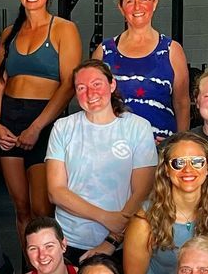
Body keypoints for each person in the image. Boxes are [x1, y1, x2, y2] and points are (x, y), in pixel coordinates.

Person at [0, 0, 83, 243]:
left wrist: (37, 127)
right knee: (21, 209)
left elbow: (68, 85)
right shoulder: (9, 33)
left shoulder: (64, 29)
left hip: (44, 121)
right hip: (9, 120)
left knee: (43, 210)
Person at [45, 59, 159, 262]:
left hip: (121, 241)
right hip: (70, 239)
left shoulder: (138, 127)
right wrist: (106, 218)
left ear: (112, 84)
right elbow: (56, 192)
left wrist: (112, 239)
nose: (90, 93)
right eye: (81, 88)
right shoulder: (63, 128)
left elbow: (142, 190)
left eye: (97, 84)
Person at [123, 131, 208, 274]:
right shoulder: (145, 219)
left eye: (197, 161)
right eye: (178, 163)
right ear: (167, 171)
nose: (188, 169)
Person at [96, 0, 187, 142]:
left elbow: (182, 103)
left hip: (161, 149)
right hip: (115, 147)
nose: (137, 6)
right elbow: (94, 102)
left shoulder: (172, 50)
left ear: (154, 3)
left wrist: (178, 145)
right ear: (121, 8)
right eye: (130, 1)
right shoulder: (104, 52)